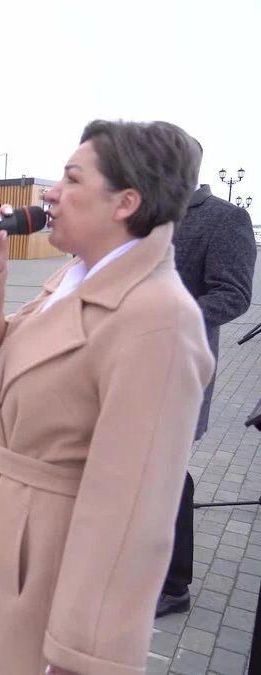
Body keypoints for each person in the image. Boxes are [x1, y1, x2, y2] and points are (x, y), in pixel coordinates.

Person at [0, 120, 214, 675]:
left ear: (125, 202)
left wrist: (82, 655)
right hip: (9, 546)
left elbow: (132, 513)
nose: (50, 194)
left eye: (70, 179)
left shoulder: (158, 318)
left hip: (54, 568)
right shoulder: (76, 276)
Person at [157, 178, 257, 617]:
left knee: (167, 476)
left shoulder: (224, 218)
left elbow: (233, 296)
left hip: (179, 370)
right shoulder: (146, 216)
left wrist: (162, 320)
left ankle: (174, 585)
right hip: (124, 370)